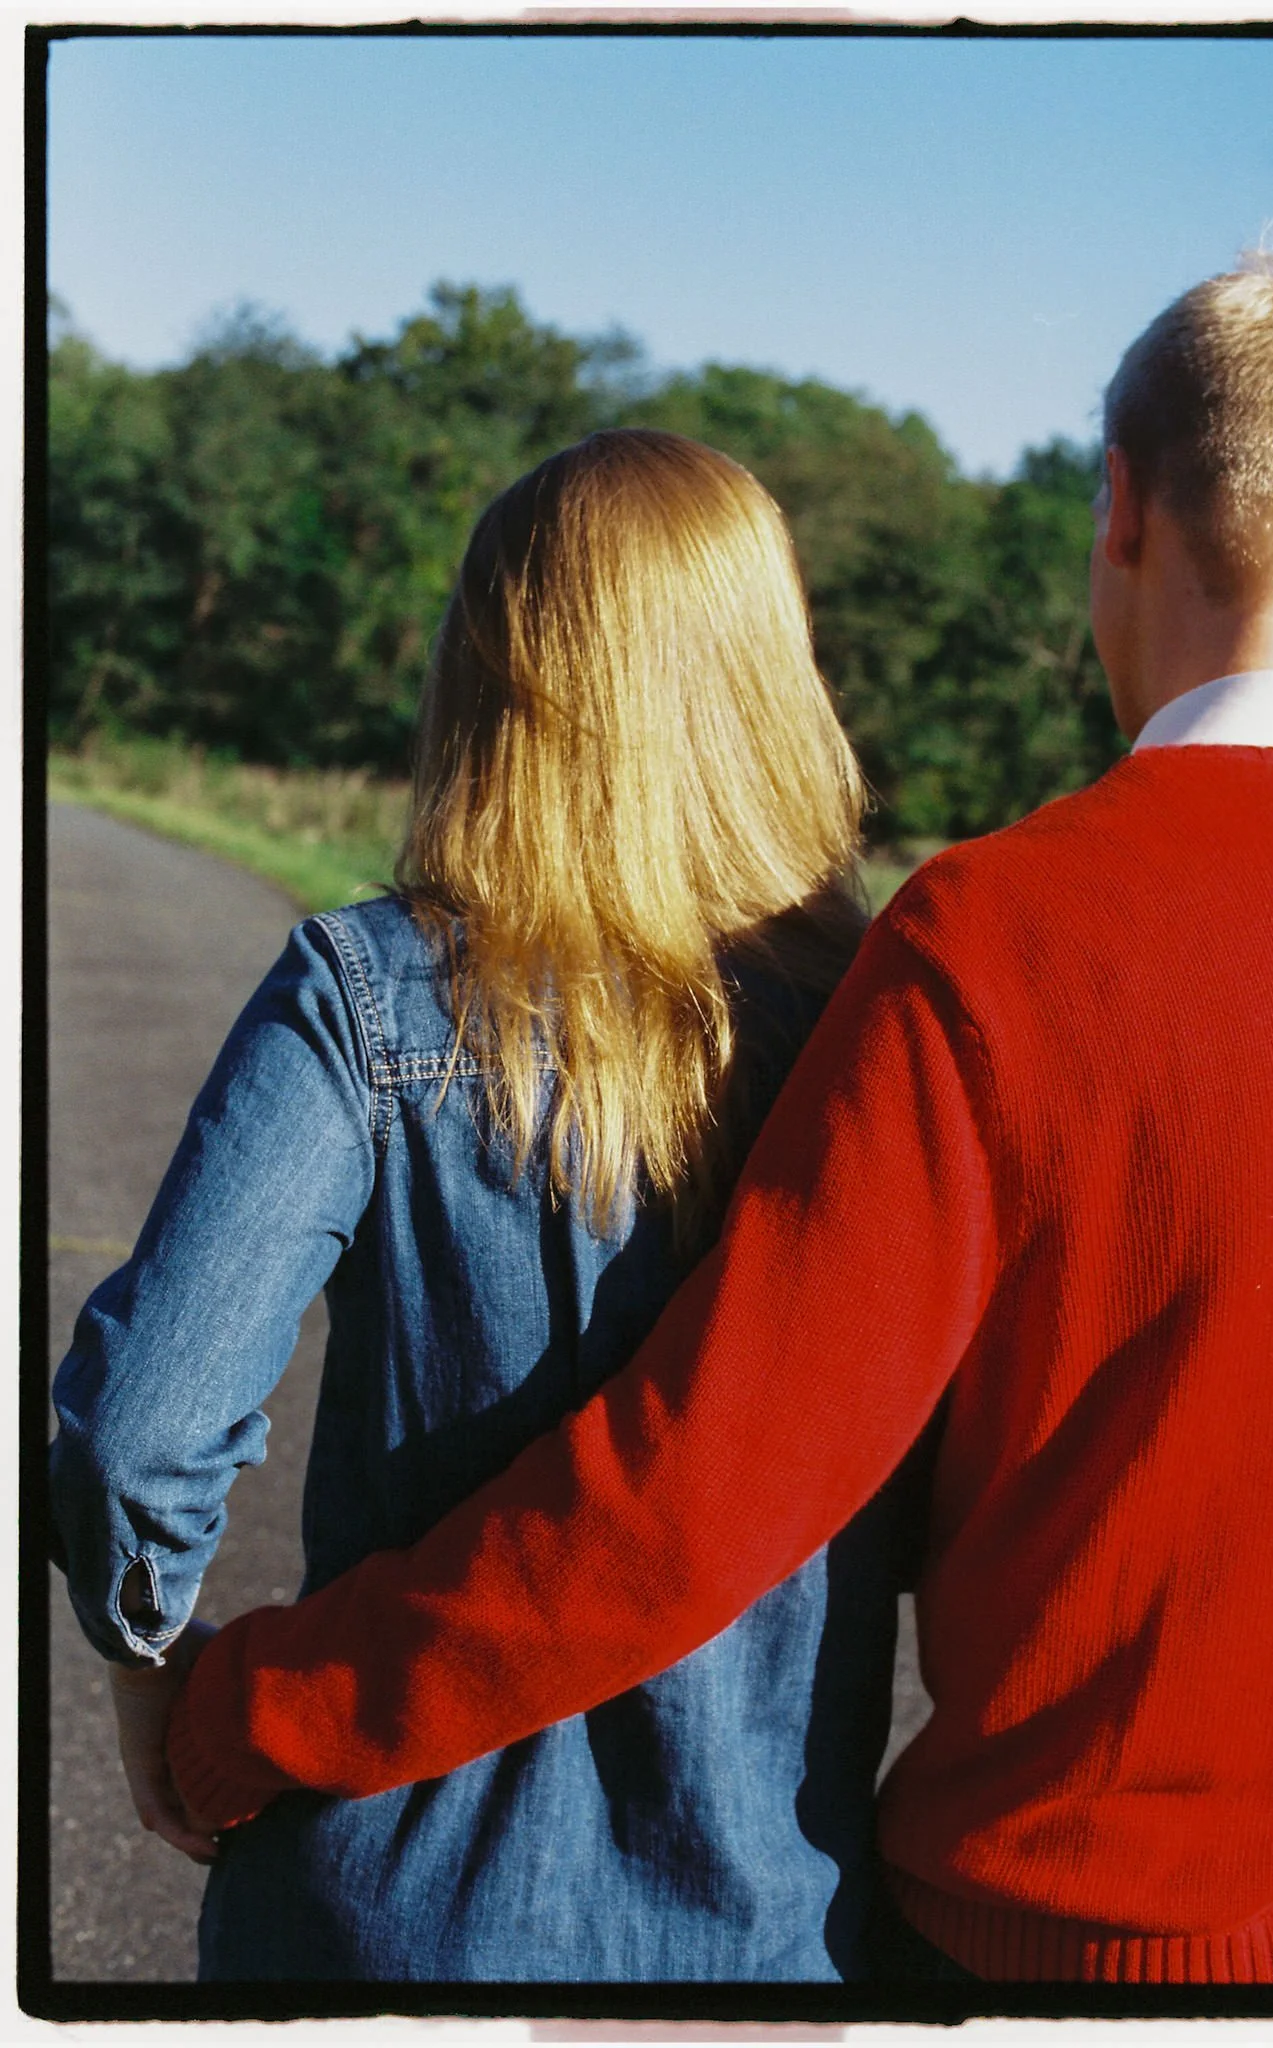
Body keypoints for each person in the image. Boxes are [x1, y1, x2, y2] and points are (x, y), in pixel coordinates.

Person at [152, 241, 1273, 1989]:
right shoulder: (876, 963)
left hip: (1067, 1937)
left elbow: (682, 1508)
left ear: (1121, 511)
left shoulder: (1004, 942)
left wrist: (236, 1712)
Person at [49, 428, 912, 1982]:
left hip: (385, 1909)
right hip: (764, 1932)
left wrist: (145, 1669)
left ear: (495, 678)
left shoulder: (362, 996)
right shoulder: (893, 1032)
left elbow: (140, 1429)